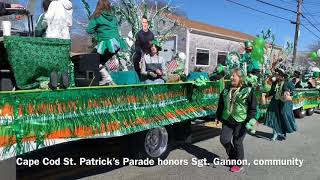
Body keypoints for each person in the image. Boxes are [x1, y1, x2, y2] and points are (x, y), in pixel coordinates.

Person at [215, 68, 257, 173]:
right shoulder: (226, 89)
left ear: (240, 77)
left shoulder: (248, 90)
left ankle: (239, 163)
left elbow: (253, 107)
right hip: (228, 119)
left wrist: (250, 120)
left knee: (237, 142)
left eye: (234, 76)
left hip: (242, 120)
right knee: (224, 139)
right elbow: (221, 104)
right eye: (231, 75)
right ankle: (233, 157)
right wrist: (218, 116)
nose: (231, 77)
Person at [87, 0, 128, 85]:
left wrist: (96, 30)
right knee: (100, 62)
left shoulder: (97, 16)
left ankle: (106, 78)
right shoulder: (113, 17)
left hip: (106, 44)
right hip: (116, 44)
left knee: (91, 60)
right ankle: (112, 83)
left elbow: (89, 30)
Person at [265, 68, 297, 141]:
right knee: (273, 117)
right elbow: (272, 91)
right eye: (276, 74)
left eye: (277, 74)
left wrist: (289, 94)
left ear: (281, 76)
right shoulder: (275, 82)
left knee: (283, 116)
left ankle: (283, 132)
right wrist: (266, 95)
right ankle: (274, 134)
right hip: (275, 101)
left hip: (284, 103)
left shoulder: (288, 82)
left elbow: (294, 92)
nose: (275, 75)